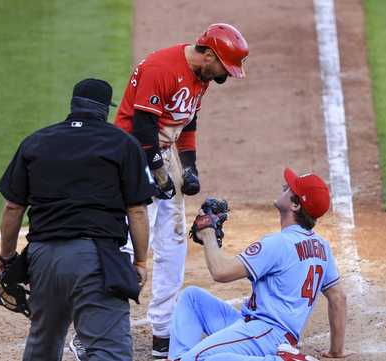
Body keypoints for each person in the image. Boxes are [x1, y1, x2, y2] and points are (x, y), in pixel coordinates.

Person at [0, 78, 158, 361]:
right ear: (105, 110)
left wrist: (8, 258)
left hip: (42, 259)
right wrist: (141, 261)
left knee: (42, 345)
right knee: (110, 352)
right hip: (94, 259)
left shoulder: (36, 141)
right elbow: (138, 211)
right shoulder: (122, 143)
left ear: (74, 105)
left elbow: (12, 207)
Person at [115, 23, 249, 359]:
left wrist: (189, 167)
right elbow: (143, 128)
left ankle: (162, 330)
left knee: (172, 242)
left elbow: (187, 123)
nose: (226, 75)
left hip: (164, 154)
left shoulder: (200, 77)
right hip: (133, 156)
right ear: (208, 54)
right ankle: (102, 330)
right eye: (224, 67)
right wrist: (158, 174)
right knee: (127, 244)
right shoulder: (161, 69)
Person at [168, 168, 349, 361]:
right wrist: (336, 352)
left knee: (198, 359)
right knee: (192, 298)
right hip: (251, 326)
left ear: (295, 205)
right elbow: (338, 297)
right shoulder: (322, 246)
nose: (284, 186)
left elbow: (221, 272)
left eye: (289, 188)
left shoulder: (278, 244)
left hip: (266, 334)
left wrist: (208, 233)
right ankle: (178, 357)